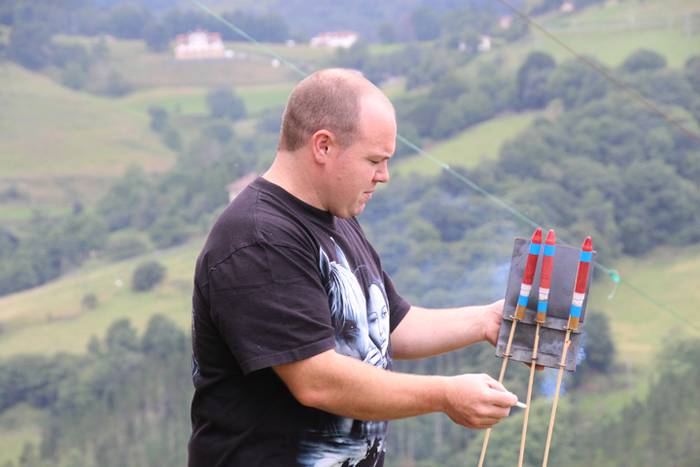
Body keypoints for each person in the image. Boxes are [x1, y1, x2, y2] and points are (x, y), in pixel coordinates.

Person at [188, 68, 517, 467]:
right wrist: (445, 395)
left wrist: (486, 321)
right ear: (323, 146)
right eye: (374, 160)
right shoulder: (260, 238)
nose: (384, 176)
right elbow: (317, 380)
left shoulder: (336, 218)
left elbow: (391, 327)